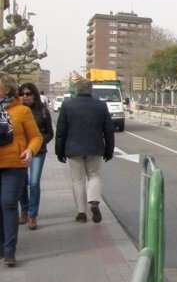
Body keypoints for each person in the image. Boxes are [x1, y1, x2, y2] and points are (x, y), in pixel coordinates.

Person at [55, 79, 115, 224]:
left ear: (77, 89)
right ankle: (94, 202)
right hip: (95, 147)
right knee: (94, 176)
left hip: (73, 148)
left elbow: (61, 131)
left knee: (78, 180)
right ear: (91, 89)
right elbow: (108, 130)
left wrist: (59, 151)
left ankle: (81, 213)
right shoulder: (101, 106)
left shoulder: (67, 105)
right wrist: (109, 149)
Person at [0, 73, 43, 267]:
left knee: (8, 203)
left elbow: (36, 137)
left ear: (7, 88)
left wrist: (30, 150)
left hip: (14, 164)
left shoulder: (22, 111)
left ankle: (10, 250)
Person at [18, 82, 54, 230]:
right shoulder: (17, 110)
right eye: (22, 94)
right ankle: (24, 211)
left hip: (38, 152)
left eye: (28, 94)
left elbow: (49, 133)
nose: (25, 97)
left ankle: (32, 215)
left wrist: (38, 144)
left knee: (33, 183)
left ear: (34, 94)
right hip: (20, 153)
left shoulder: (43, 111)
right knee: (21, 183)